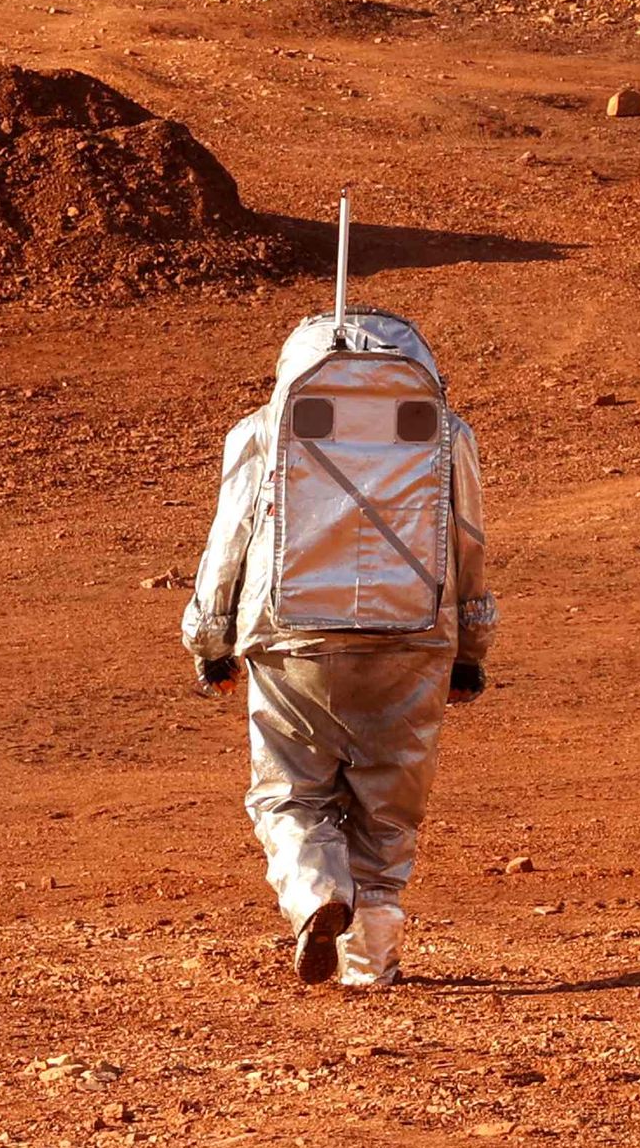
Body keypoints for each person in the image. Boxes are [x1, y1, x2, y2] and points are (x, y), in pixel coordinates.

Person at [182, 215, 491, 989]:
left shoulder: (262, 431)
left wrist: (208, 639)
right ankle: (371, 956)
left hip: (291, 636)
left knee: (290, 789)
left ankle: (318, 889)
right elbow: (467, 541)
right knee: (390, 799)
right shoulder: (446, 434)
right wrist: (470, 649)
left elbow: (230, 539)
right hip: (413, 634)